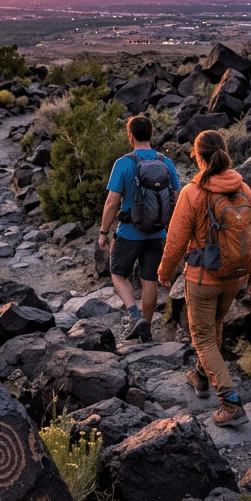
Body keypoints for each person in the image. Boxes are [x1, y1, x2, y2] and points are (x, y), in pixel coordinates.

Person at [158, 129, 251, 427]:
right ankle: (201, 376)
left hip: (204, 278)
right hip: (235, 276)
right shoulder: (242, 187)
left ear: (200, 157)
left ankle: (230, 404)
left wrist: (165, 273)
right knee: (214, 325)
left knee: (203, 337)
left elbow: (176, 239)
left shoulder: (193, 192)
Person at [98, 115, 181, 343]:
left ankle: (135, 315)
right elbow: (177, 196)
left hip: (128, 232)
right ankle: (146, 329)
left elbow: (112, 202)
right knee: (149, 280)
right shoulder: (166, 162)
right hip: (157, 233)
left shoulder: (124, 163)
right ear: (151, 135)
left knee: (118, 274)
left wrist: (104, 232)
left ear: (130, 136)